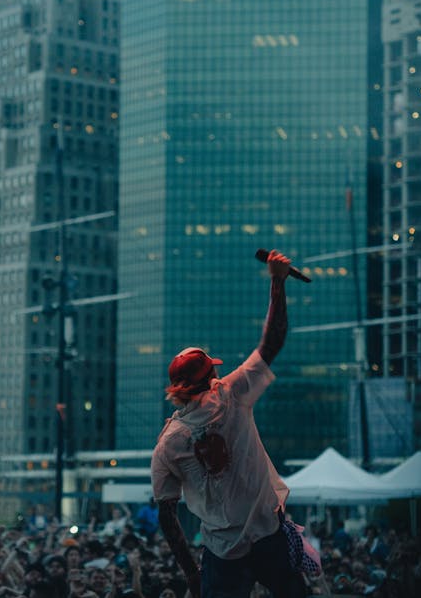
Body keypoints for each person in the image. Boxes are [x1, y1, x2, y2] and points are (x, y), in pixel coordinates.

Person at [151, 250, 307, 598]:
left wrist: (193, 575)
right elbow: (273, 341)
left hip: (221, 552)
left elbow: (166, 514)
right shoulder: (231, 395)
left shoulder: (167, 444)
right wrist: (278, 283)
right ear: (212, 376)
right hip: (268, 535)